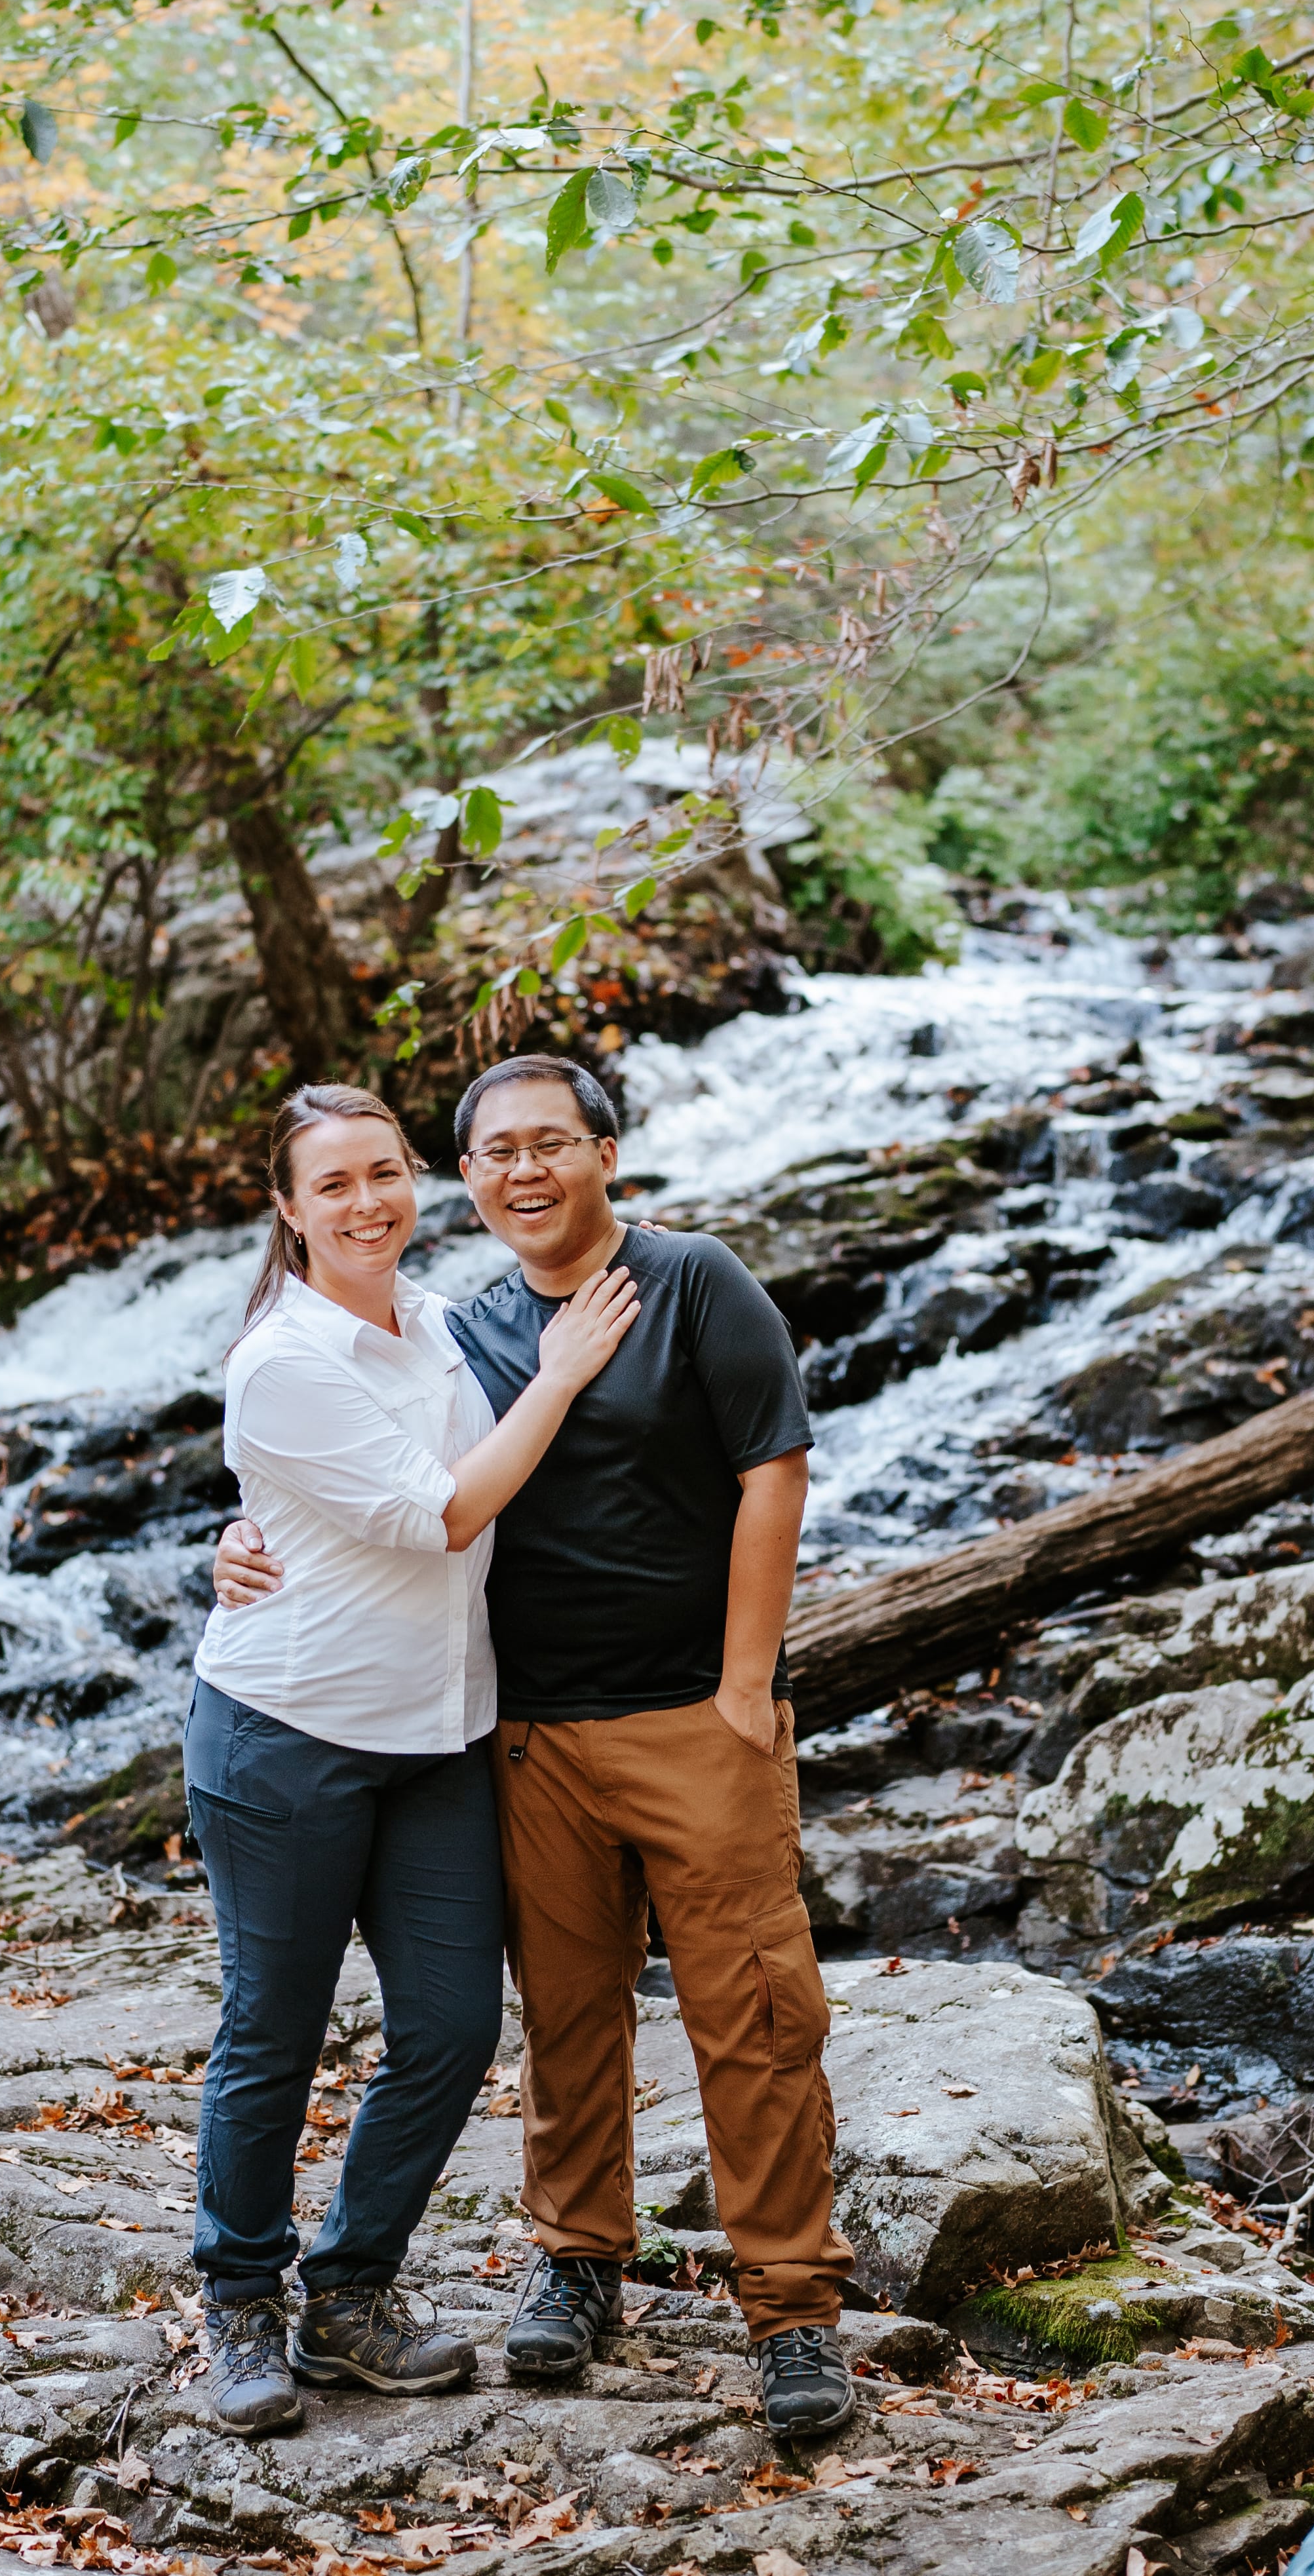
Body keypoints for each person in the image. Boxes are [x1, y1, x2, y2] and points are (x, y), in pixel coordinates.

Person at [216, 1050, 857, 2452]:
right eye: (495, 1151)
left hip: (696, 1716)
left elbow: (774, 1470)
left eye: (550, 1143)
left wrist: (747, 1689)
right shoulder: (464, 1328)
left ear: (605, 1154)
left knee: (751, 2019)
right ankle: (577, 2265)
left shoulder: (692, 1283)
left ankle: (793, 2314)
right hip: (524, 1739)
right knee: (563, 2021)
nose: (524, 1170)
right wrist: (230, 1546)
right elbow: (358, 1475)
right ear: (468, 1179)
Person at [184, 1080, 636, 2440]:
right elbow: (439, 1514)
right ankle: (240, 2304)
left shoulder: (436, 1322)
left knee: (447, 2030)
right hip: (288, 1735)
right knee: (277, 2028)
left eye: (384, 1173)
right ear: (288, 1208)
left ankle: (353, 2293)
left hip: (438, 1734)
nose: (368, 1202)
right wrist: (560, 1374)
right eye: (334, 1185)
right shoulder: (282, 1358)